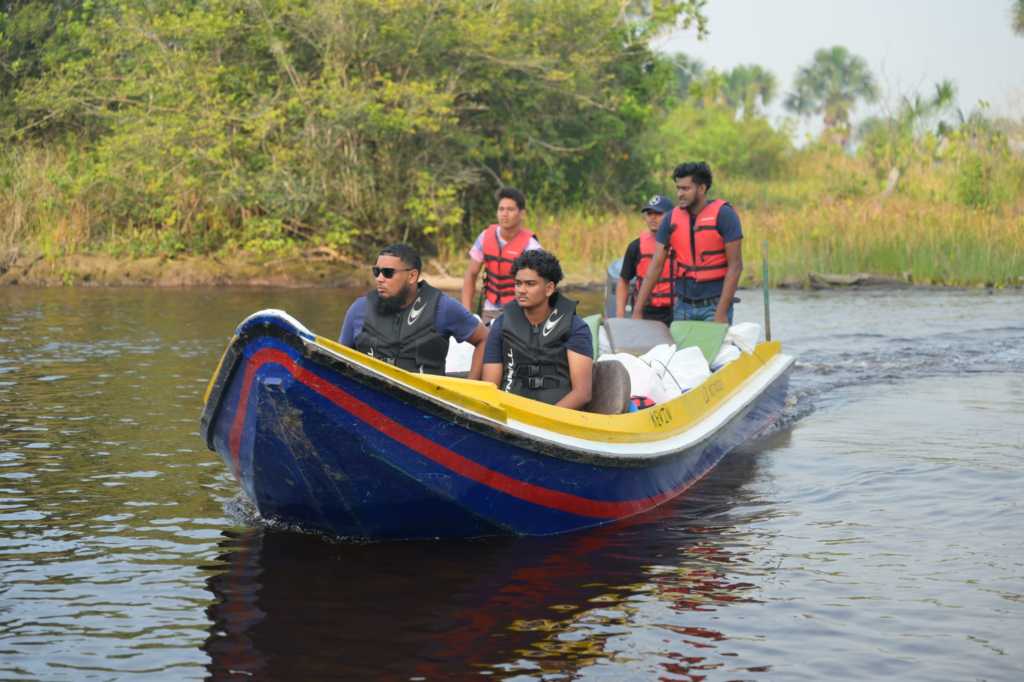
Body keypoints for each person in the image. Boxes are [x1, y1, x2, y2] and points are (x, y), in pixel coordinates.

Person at [340, 244, 489, 379]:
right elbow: (340, 360)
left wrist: (472, 385)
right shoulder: (359, 309)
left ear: (412, 276)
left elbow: (485, 339)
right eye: (377, 271)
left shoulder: (444, 307)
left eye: (387, 272)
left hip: (427, 398)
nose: (379, 278)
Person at [631, 162, 743, 325]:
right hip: (682, 306)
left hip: (714, 307)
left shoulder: (725, 216)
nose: (680, 194)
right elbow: (655, 266)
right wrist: (637, 311)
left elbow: (736, 265)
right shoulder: (671, 219)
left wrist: (721, 312)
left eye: (686, 188)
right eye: (678, 188)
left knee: (711, 351)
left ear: (702, 189)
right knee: (683, 352)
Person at [482, 250, 593, 410]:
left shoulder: (576, 328)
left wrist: (546, 419)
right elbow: (490, 387)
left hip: (561, 420)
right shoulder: (500, 326)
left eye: (530, 284)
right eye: (518, 283)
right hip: (511, 417)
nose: (521, 290)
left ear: (549, 289)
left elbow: (583, 392)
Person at [461, 187, 543, 323]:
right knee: (483, 341)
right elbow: (471, 273)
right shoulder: (484, 237)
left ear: (521, 214)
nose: (504, 214)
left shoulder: (532, 247)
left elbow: (540, 285)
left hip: (520, 311)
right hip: (490, 309)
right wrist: (466, 313)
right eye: (501, 209)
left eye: (510, 209)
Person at [615, 194, 676, 326]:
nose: (652, 217)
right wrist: (620, 315)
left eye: (658, 213)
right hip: (645, 311)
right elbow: (624, 280)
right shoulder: (635, 246)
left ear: (671, 215)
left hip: (676, 312)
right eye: (649, 213)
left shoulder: (681, 244)